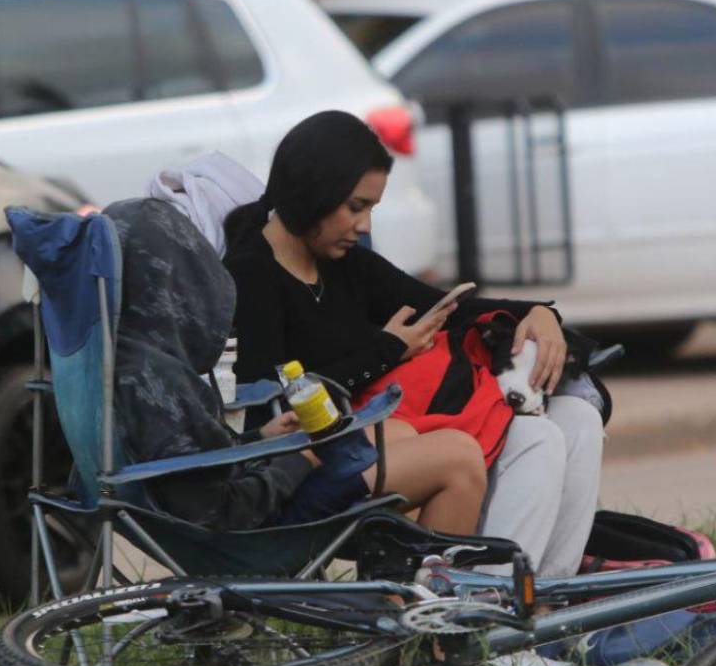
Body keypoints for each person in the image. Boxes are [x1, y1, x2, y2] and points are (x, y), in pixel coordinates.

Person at [223, 110, 604, 577]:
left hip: (390, 430)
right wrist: (385, 351)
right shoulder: (250, 277)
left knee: (577, 418)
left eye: (371, 210)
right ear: (312, 193)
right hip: (313, 459)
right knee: (531, 437)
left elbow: (445, 306)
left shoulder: (343, 264)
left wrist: (539, 314)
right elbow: (270, 411)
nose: (363, 225)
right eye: (355, 207)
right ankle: (486, 608)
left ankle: (544, 603)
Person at [105, 196, 486, 534]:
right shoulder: (155, 379)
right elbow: (224, 511)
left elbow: (194, 467)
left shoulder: (126, 358)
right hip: (257, 525)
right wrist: (302, 456)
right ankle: (427, 600)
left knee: (398, 431)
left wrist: (261, 440)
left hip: (250, 485)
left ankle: (395, 577)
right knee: (459, 456)